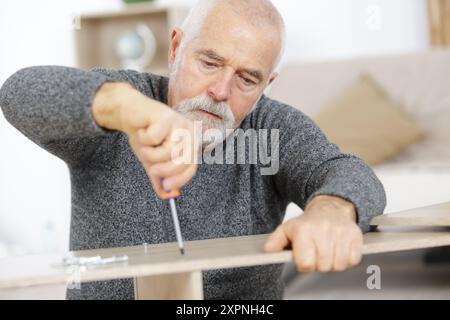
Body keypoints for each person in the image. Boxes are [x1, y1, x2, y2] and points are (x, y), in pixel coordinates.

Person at [0, 0, 386, 299]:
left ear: (267, 83)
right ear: (175, 48)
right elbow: (18, 92)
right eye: (210, 62)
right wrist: (127, 112)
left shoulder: (275, 126)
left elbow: (344, 171)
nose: (220, 91)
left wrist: (334, 209)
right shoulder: (121, 100)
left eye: (247, 79)